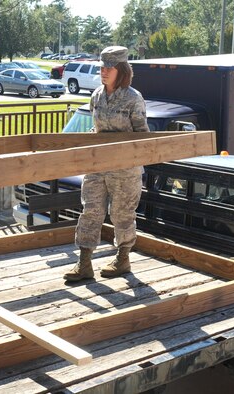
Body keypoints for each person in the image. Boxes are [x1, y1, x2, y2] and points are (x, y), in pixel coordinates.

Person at [64, 46, 149, 282]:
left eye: (109, 68)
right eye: (102, 67)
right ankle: (84, 263)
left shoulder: (133, 98)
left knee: (122, 214)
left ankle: (123, 259)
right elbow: (96, 128)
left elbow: (143, 137)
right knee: (90, 211)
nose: (104, 71)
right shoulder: (97, 96)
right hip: (98, 165)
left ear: (121, 70)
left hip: (125, 169)